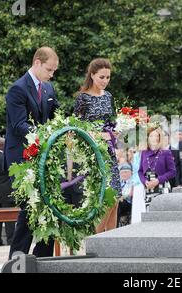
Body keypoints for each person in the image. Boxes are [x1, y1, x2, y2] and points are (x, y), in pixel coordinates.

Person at [6, 47, 60, 259]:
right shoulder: (17, 89)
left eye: (54, 70)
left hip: (43, 158)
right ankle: (17, 261)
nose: (52, 74)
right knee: (30, 209)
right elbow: (19, 125)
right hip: (21, 159)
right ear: (37, 62)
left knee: (50, 207)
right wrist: (46, 135)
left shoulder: (48, 88)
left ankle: (43, 259)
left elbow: (57, 115)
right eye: (49, 69)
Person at [74, 58, 121, 232]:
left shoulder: (108, 96)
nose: (105, 81)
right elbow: (76, 129)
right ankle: (96, 239)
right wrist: (98, 135)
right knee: (105, 199)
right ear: (92, 75)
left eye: (108, 77)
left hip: (109, 151)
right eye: (102, 77)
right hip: (93, 153)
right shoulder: (83, 99)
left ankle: (111, 244)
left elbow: (111, 123)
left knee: (115, 200)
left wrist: (116, 131)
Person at [133, 127, 176, 223]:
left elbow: (172, 172)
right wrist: (145, 181)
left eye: (156, 135)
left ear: (160, 138)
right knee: (150, 216)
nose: (154, 138)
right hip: (148, 188)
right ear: (148, 138)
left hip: (162, 187)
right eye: (151, 136)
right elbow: (140, 171)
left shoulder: (166, 153)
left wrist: (158, 180)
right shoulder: (144, 153)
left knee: (163, 217)